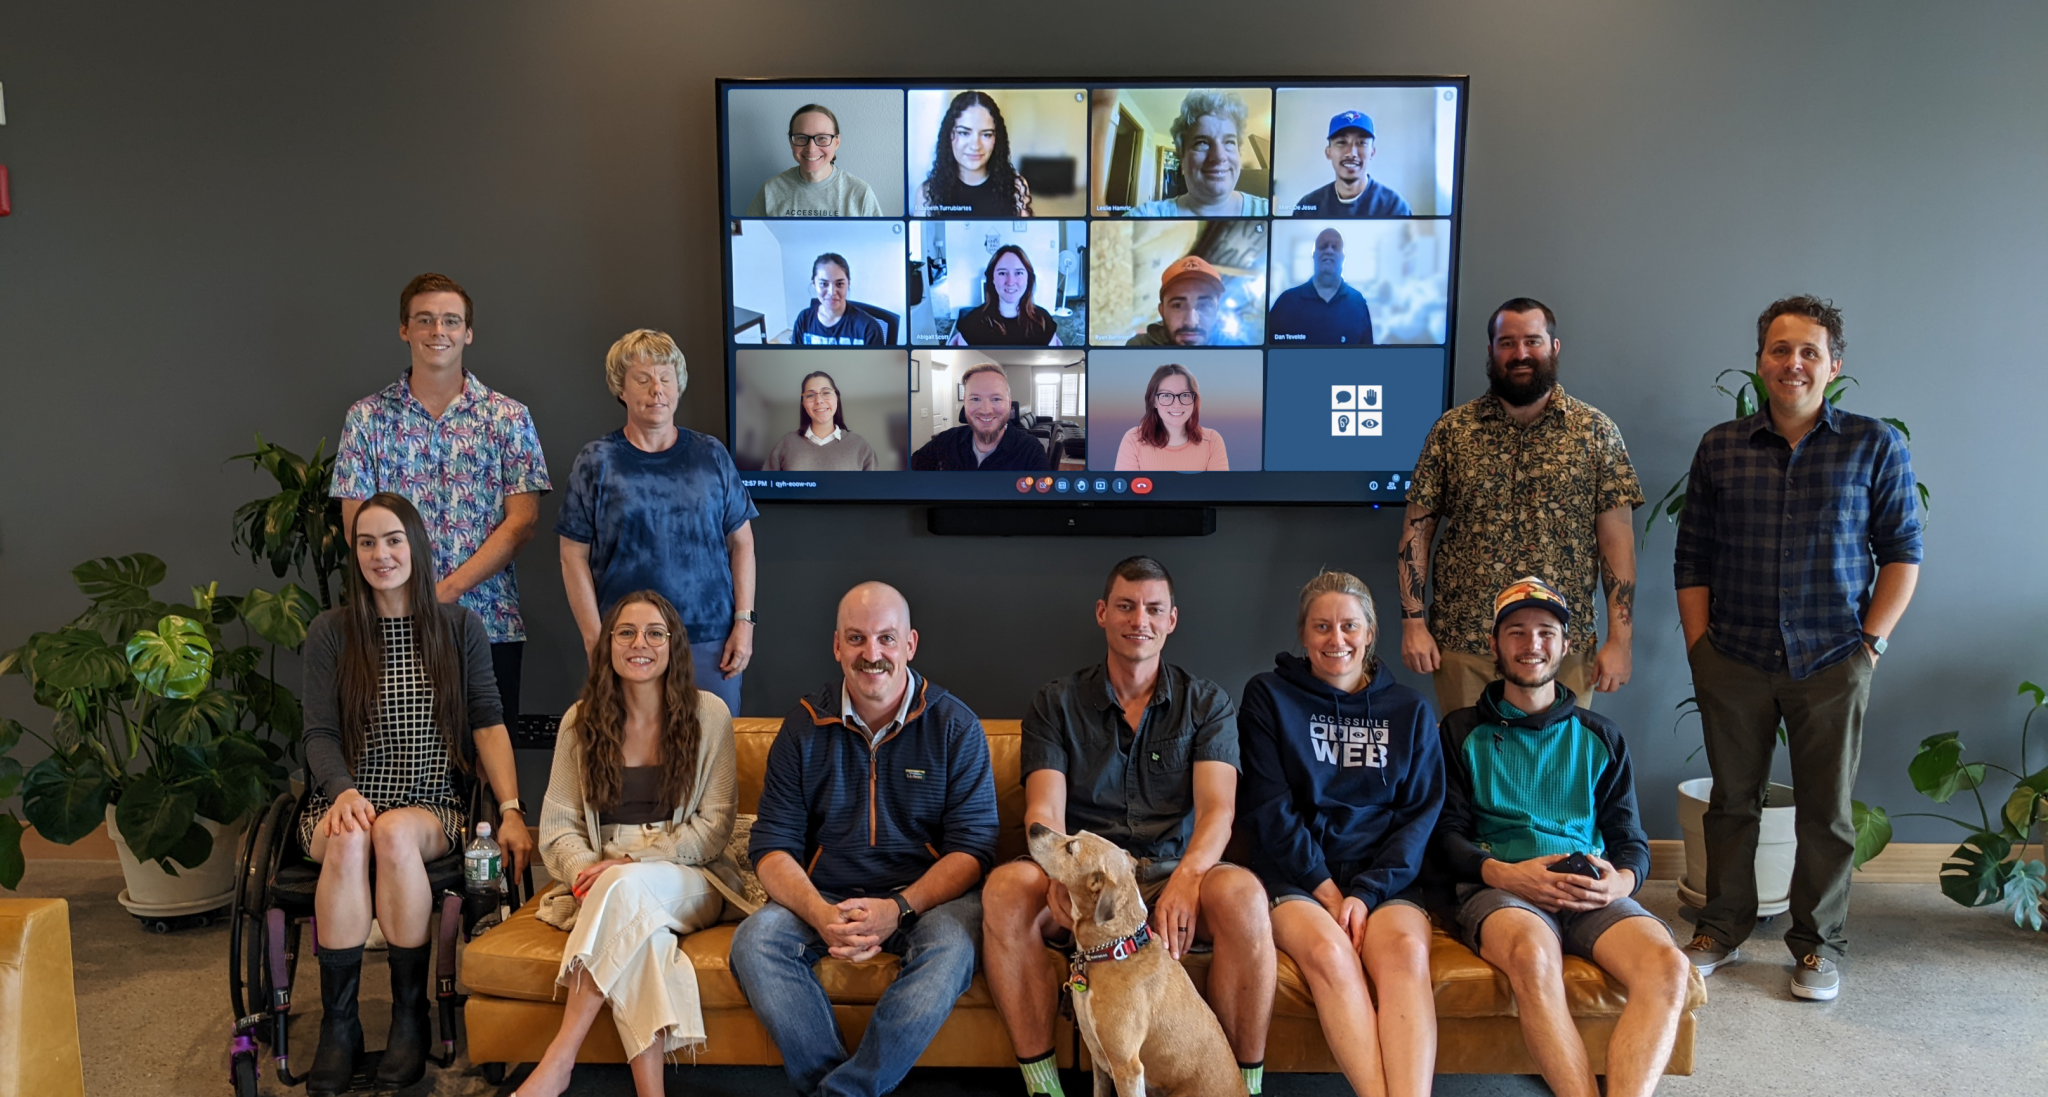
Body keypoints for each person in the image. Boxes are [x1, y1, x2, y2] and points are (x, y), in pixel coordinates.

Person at [1675, 296, 1923, 1001]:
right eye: (1780, 350)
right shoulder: (1720, 447)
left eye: (1810, 351)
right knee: (1732, 802)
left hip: (1832, 660)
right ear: (1760, 361)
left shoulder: (1875, 445)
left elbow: (1903, 553)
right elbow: (1691, 557)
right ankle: (1719, 928)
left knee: (1826, 811)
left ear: (1834, 364)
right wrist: (1702, 651)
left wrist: (1869, 645)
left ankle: (1817, 947)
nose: (1794, 363)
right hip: (1736, 657)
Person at [984, 557, 1275, 1097]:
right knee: (1005, 889)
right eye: (1125, 605)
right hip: (1088, 875)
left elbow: (1218, 812)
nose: (1139, 618)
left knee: (1244, 896)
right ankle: (1043, 1085)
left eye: (1153, 608)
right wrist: (1057, 873)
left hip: (1172, 872)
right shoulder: (1056, 702)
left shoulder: (1206, 703)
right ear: (1102, 613)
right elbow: (1044, 807)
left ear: (1171, 620)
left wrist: (1189, 878)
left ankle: (1241, 1085)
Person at [300, 492, 531, 1096]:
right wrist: (342, 792)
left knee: (394, 833)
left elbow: (487, 721)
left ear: (417, 546)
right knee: (354, 840)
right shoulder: (331, 632)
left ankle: (409, 1020)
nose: (382, 554)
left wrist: (509, 809)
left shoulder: (458, 627)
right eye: (367, 543)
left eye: (394, 540)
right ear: (355, 555)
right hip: (343, 799)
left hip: (430, 805)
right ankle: (340, 1026)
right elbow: (318, 733)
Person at [731, 582, 999, 1097]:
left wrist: (897, 907)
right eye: (856, 639)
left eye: (886, 639)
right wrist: (819, 914)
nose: (871, 654)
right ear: (836, 646)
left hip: (926, 900)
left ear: (910, 645)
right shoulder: (803, 727)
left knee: (953, 945)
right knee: (756, 941)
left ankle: (841, 1093)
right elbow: (771, 847)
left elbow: (973, 850)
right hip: (826, 895)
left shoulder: (954, 726)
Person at [1436, 577, 1694, 1097]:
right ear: (1494, 645)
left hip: (1587, 888)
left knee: (1669, 966)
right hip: (1502, 887)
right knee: (1534, 958)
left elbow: (1631, 841)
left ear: (1565, 645)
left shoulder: (1601, 737)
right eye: (1516, 632)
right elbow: (1445, 836)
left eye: (1545, 632)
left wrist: (1619, 884)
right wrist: (1507, 874)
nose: (1531, 645)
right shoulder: (1460, 731)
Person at [516, 592, 747, 1097]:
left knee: (622, 886)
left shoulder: (709, 715)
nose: (639, 643)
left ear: (673, 646)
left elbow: (712, 830)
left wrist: (628, 861)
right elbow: (557, 827)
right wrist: (585, 870)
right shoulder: (581, 721)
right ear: (609, 644)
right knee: (641, 940)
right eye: (626, 632)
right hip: (602, 878)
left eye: (654, 633)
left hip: (691, 872)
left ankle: (559, 1059)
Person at [1238, 571, 1441, 1097]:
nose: (1337, 639)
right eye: (1322, 626)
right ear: (1303, 635)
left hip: (1384, 879)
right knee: (1330, 956)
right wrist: (1327, 887)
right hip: (1297, 878)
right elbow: (1269, 806)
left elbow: (1418, 815)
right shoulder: (1268, 696)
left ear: (1370, 633)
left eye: (1349, 626)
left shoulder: (1411, 711)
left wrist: (1368, 892)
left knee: (1404, 958)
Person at [1399, 298, 1644, 715]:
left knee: (1556, 775)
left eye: (1532, 341)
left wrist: (1620, 640)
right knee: (1469, 771)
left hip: (1560, 647)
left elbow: (1616, 540)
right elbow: (1415, 530)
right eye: (1507, 343)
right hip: (1465, 644)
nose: (1521, 354)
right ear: (1491, 351)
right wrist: (1413, 623)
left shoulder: (1596, 433)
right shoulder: (1452, 432)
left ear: (1554, 347)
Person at [332, 272, 551, 725]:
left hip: (489, 623)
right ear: (404, 329)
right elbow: (357, 523)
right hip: (391, 626)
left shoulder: (508, 417)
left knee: (487, 772)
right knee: (393, 765)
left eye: (451, 321)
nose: (438, 331)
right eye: (425, 320)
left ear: (467, 333)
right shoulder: (367, 418)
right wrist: (411, 601)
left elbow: (522, 522)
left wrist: (445, 592)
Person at [558, 329, 758, 717]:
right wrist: (595, 638)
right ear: (621, 388)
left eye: (665, 378)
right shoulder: (596, 460)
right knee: (629, 761)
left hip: (709, 641)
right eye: (643, 378)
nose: (657, 390)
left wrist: (744, 623)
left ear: (678, 386)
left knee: (711, 762)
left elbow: (743, 543)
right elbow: (572, 556)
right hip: (628, 642)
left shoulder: (710, 454)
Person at [1129, 90, 1270, 218]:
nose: (1219, 156)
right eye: (1202, 143)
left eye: (1229, 142)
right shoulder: (1146, 216)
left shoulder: (1269, 211)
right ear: (1182, 156)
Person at [745, 103, 885, 217]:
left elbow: (879, 242)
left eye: (822, 138)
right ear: (791, 141)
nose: (811, 148)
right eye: (801, 137)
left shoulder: (860, 192)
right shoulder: (770, 190)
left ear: (837, 142)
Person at [908, 362, 1049, 471]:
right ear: (965, 402)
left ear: (1009, 403)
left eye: (996, 399)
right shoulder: (944, 442)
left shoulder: (1031, 451)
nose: (986, 410)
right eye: (975, 399)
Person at [917, 90, 1034, 217]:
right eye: (964, 133)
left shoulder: (1016, 187)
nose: (975, 146)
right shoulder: (927, 193)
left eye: (986, 135)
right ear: (948, 135)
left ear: (997, 139)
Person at [1290, 111, 1412, 218]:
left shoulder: (1394, 206)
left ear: (1372, 152)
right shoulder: (1307, 207)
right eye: (1342, 142)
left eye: (1361, 142)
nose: (1351, 153)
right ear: (1328, 152)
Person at [1267, 228, 1374, 345]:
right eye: (1323, 246)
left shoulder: (1358, 302)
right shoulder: (1286, 301)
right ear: (1314, 256)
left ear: (1343, 257)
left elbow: (1366, 355)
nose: (1329, 250)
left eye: (1335, 247)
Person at [1114, 363, 1229, 471]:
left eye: (1185, 395)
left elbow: (1220, 490)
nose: (1177, 405)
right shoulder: (1133, 439)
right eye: (1166, 395)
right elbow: (1125, 490)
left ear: (1194, 400)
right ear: (1153, 401)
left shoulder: (1212, 440)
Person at [762, 370, 882, 471]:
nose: (819, 400)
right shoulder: (786, 443)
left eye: (826, 392)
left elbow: (874, 493)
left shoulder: (859, 445)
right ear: (803, 403)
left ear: (837, 398)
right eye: (810, 395)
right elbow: (763, 491)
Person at [947, 245, 1063, 346]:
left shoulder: (1043, 321)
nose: (1010, 281)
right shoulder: (971, 323)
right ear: (992, 279)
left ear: (1028, 279)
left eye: (1018, 273)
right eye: (1002, 273)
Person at [1124, 255, 1226, 347]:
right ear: (1162, 311)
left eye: (1204, 305)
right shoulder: (1140, 347)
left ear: (1216, 309)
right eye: (1177, 305)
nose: (1191, 322)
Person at [791, 253, 887, 346]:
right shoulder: (804, 320)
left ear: (848, 284)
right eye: (824, 284)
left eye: (839, 284)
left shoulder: (869, 328)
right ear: (814, 285)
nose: (832, 292)